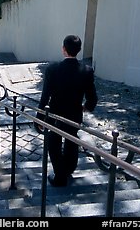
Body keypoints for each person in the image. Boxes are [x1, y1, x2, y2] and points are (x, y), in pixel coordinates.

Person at [36, 34, 98, 187]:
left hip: (55, 114)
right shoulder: (87, 70)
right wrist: (86, 107)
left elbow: (45, 97)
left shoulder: (53, 69)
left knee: (54, 142)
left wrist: (39, 118)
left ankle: (59, 175)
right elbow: (93, 97)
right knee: (72, 141)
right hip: (74, 113)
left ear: (64, 49)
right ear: (79, 50)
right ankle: (68, 170)